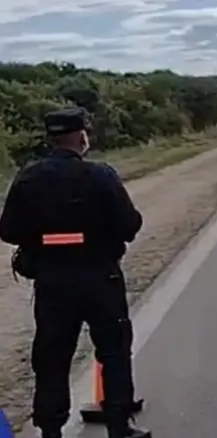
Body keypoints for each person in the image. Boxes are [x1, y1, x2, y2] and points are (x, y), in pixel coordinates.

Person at [0, 108, 149, 438]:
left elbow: (7, 230)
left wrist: (43, 239)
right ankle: (118, 426)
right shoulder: (100, 175)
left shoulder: (28, 177)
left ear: (50, 139)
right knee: (113, 350)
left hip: (53, 281)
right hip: (100, 277)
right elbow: (129, 225)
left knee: (52, 355)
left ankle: (51, 430)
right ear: (82, 137)